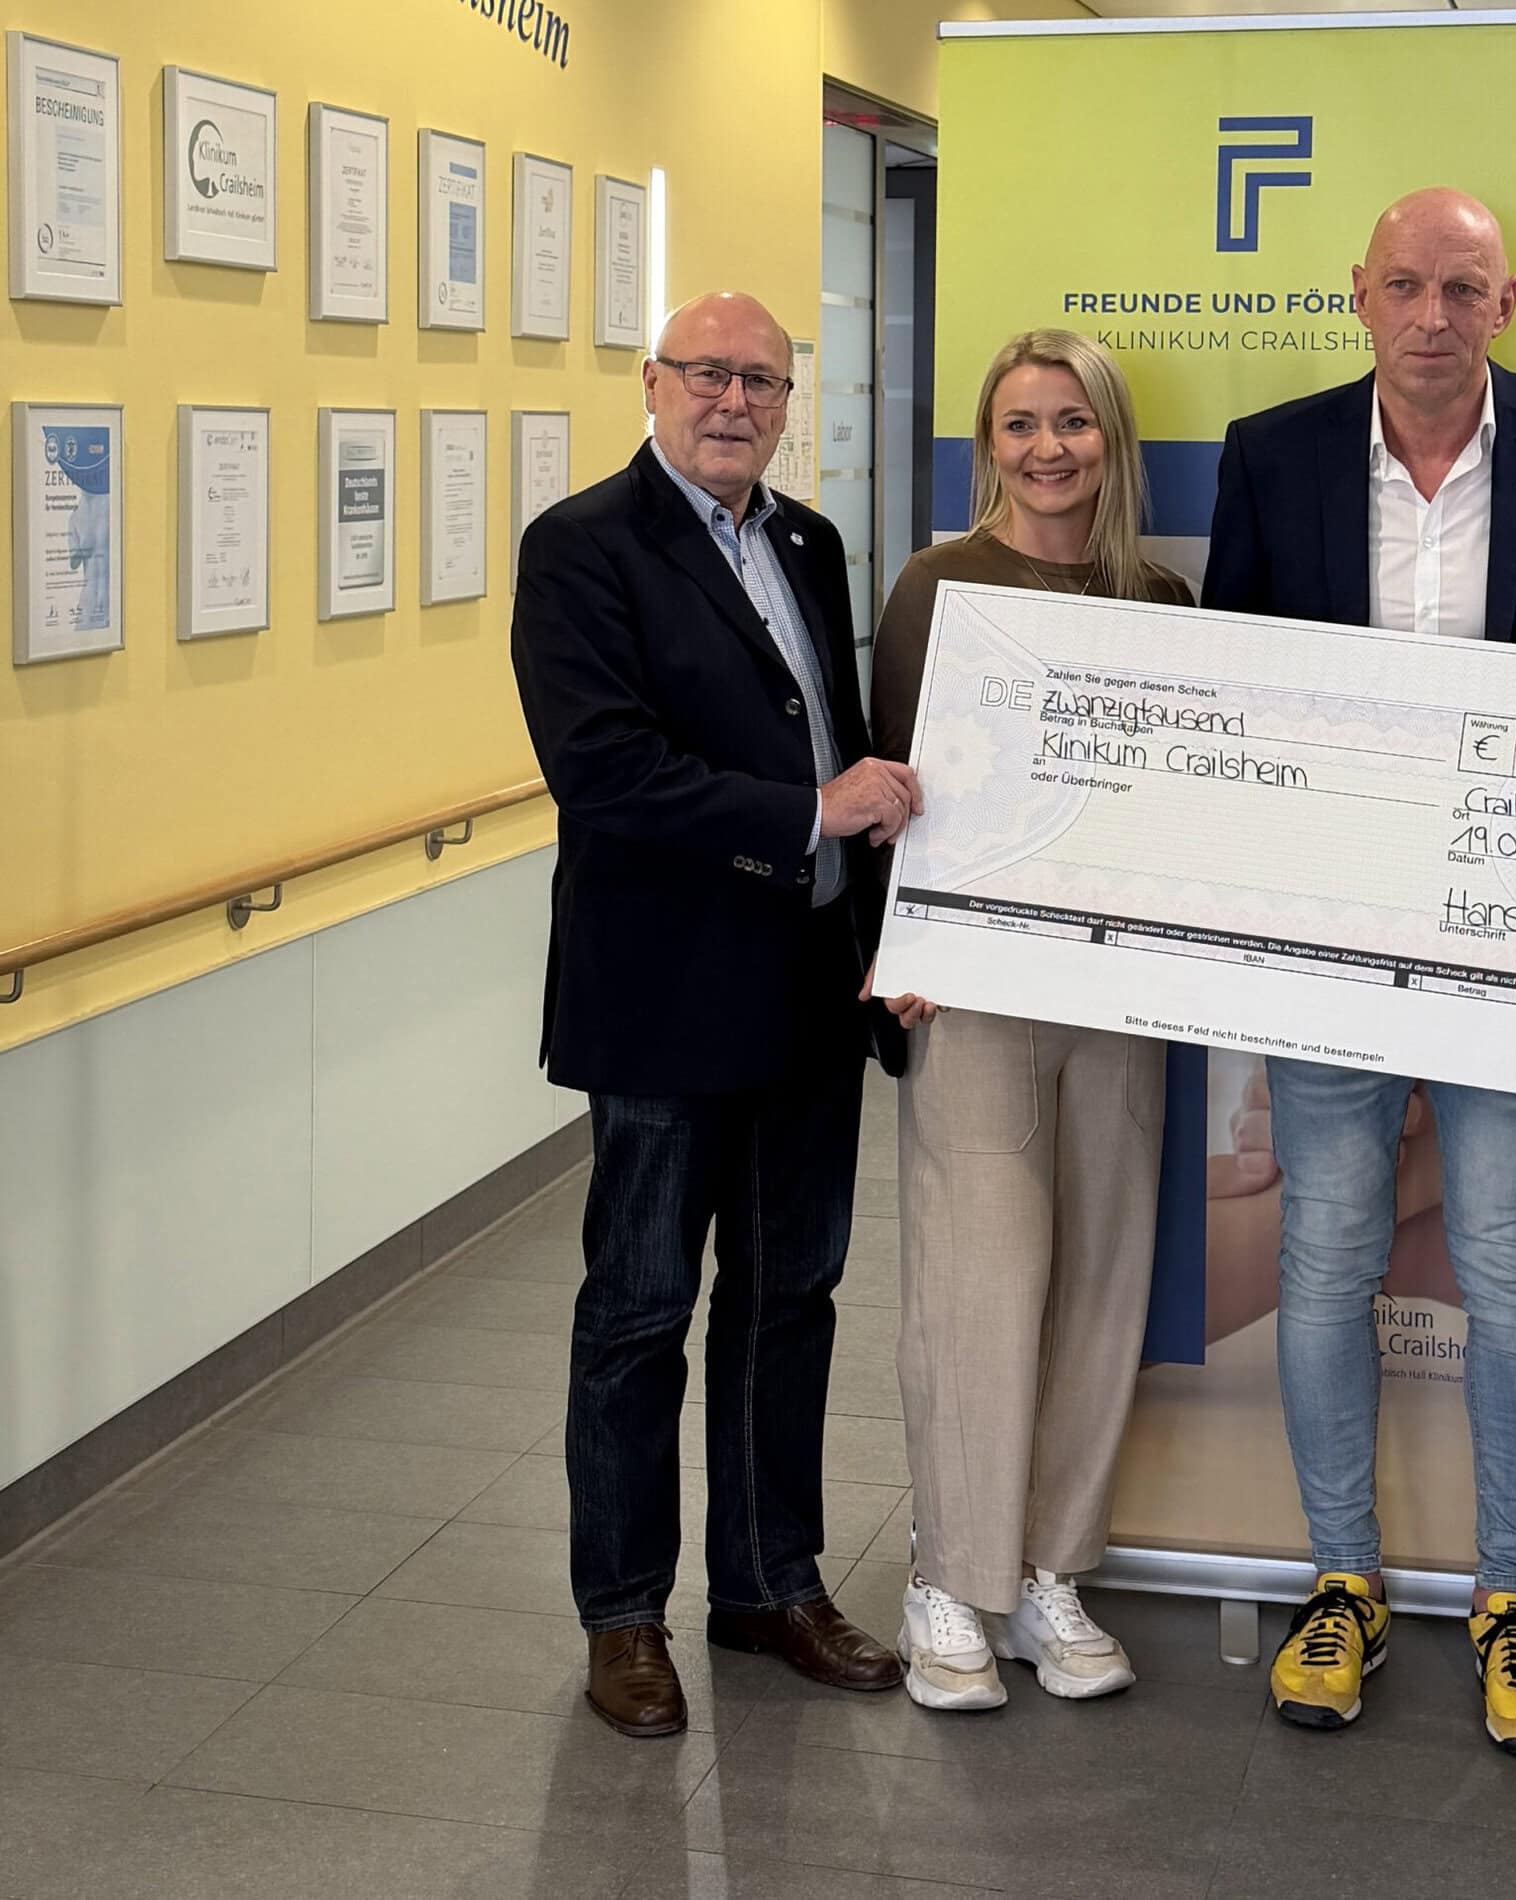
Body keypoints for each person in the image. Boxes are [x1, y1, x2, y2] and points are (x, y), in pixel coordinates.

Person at [1203, 186, 1516, 1757]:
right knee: (1328, 1252)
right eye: (1403, 285)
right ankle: (1338, 1578)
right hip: (1329, 927)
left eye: (1461, 289)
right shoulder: (1273, 455)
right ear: (1359, 293)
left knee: (1509, 1265)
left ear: (1506, 302)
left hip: (1506, 937)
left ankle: (1509, 1597)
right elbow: (1234, 694)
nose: (1429, 315)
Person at [510, 290, 920, 1738]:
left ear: (788, 402)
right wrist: (806, 814)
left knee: (788, 1302)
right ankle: (623, 1615)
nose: (733, 401)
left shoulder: (805, 541)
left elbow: (842, 745)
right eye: (707, 374)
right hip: (663, 996)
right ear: (651, 383)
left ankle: (768, 1585)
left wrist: (885, 932)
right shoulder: (580, 547)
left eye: (761, 380)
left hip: (806, 990)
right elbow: (603, 769)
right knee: (638, 1313)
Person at [867, 330, 1194, 1712]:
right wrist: (902, 950)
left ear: (1112, 440)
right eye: (1020, 424)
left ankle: (1053, 1569)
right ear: (987, 443)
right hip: (977, 990)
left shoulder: (1161, 598)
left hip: (1115, 991)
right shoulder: (935, 586)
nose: (1048, 448)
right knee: (980, 1280)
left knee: (1102, 1277)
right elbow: (898, 787)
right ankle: (951, 1577)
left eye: (1074, 421)